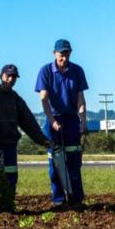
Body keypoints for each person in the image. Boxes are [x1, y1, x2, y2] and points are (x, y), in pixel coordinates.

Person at [0, 64, 54, 213]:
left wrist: (42, 139)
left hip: (10, 146)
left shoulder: (16, 99)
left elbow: (28, 122)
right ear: (1, 76)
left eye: (14, 77)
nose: (10, 79)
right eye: (8, 76)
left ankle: (7, 208)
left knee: (10, 177)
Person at [35, 39, 88, 207]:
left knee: (74, 161)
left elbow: (80, 98)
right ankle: (58, 200)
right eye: (61, 54)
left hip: (71, 120)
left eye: (67, 54)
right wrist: (52, 121)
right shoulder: (46, 71)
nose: (64, 57)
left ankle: (76, 198)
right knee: (55, 162)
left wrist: (83, 120)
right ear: (54, 53)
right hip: (53, 118)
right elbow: (43, 98)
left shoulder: (77, 71)